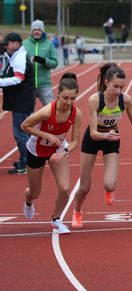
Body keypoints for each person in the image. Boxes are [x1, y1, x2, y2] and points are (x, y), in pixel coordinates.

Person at [71, 63, 132, 228]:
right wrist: (106, 135)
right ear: (106, 82)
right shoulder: (95, 100)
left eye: (122, 87)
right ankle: (77, 211)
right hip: (93, 139)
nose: (118, 91)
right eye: (115, 86)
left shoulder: (125, 100)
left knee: (110, 184)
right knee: (85, 187)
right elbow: (93, 133)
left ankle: (108, 191)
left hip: (112, 140)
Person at [20, 73, 82, 234]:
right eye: (65, 98)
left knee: (64, 188)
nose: (68, 102)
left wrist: (64, 152)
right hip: (36, 150)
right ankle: (28, 201)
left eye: (72, 98)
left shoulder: (76, 114)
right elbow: (24, 126)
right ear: (58, 95)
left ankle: (56, 220)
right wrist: (47, 135)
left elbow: (75, 140)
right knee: (35, 192)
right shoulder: (47, 111)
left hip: (57, 150)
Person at [0, 32, 35, 175]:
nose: (5, 47)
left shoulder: (20, 57)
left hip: (22, 101)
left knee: (20, 133)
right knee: (23, 132)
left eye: (7, 44)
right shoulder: (16, 55)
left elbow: (18, 79)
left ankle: (25, 163)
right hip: (21, 100)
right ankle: (25, 160)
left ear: (16, 43)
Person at [22, 20, 58, 106]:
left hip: (44, 84)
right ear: (31, 31)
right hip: (29, 84)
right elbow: (19, 63)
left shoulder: (49, 44)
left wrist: (43, 61)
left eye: (39, 29)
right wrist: (29, 62)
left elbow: (55, 63)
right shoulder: (24, 44)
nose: (37, 31)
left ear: (43, 31)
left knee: (51, 110)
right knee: (27, 112)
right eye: (34, 29)